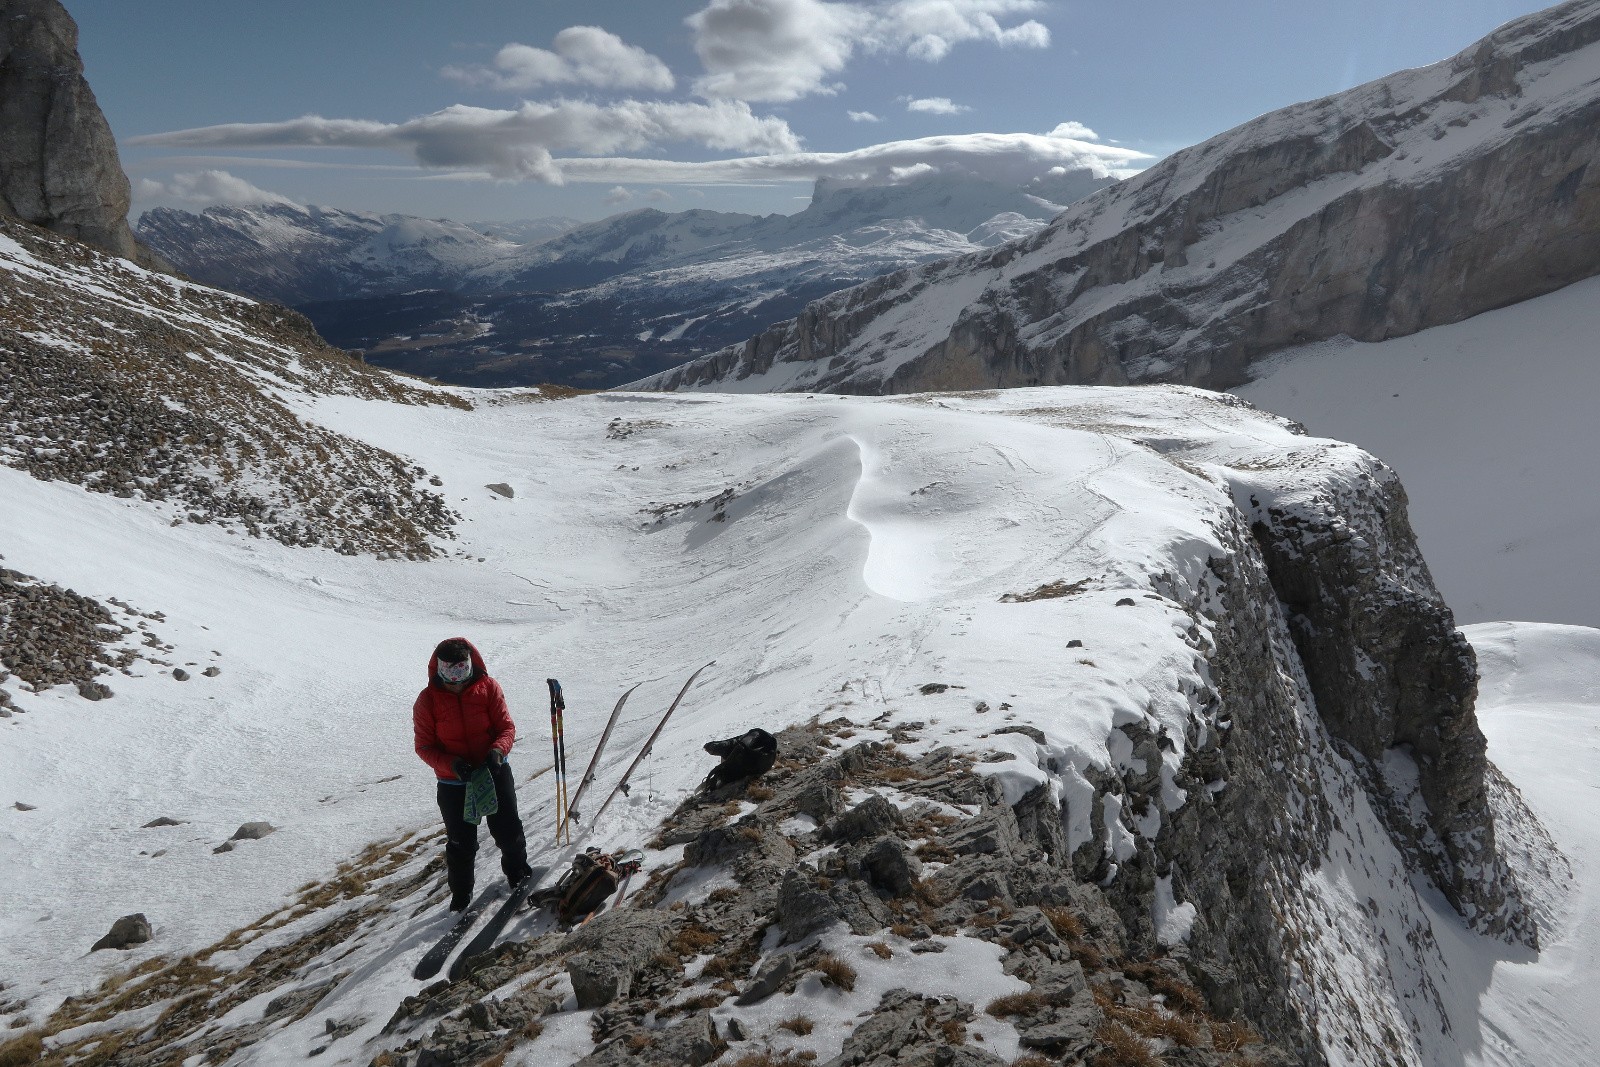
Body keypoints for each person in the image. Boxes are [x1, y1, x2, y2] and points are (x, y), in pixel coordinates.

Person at [413, 637, 533, 910]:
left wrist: (497, 751)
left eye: (462, 670)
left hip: (493, 771)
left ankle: (518, 875)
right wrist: (452, 765)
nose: (456, 680)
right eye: (450, 672)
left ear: (470, 664)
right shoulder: (427, 701)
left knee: (508, 831)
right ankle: (461, 896)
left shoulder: (488, 688)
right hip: (453, 782)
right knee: (461, 843)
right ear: (439, 668)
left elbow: (506, 728)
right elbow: (424, 747)